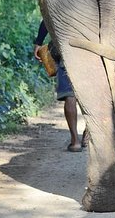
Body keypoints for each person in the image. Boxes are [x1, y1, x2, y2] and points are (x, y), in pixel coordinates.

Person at [33, 20, 88, 152]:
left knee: (70, 94)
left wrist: (38, 42)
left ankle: (75, 141)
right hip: (91, 47)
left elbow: (48, 16)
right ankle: (89, 131)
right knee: (92, 93)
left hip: (67, 47)